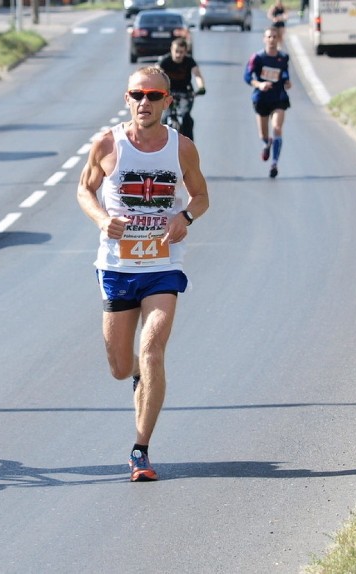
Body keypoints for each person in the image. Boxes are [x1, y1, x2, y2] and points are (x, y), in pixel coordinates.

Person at [76, 66, 209, 482]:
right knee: (120, 365)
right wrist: (102, 219)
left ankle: (140, 449)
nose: (144, 103)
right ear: (126, 99)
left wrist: (185, 216)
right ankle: (137, 375)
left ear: (168, 101)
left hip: (162, 265)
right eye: (137, 95)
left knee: (153, 346)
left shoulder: (182, 148)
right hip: (117, 266)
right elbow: (84, 189)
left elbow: (201, 195)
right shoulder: (107, 144)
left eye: (154, 96)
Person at [244, 27, 292, 178]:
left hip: (278, 97)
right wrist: (259, 85)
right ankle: (266, 143)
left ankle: (274, 164)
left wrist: (287, 81)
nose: (272, 40)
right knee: (263, 133)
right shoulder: (257, 58)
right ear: (264, 39)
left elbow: (284, 73)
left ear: (278, 39)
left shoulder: (283, 57)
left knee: (277, 128)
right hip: (262, 98)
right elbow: (247, 76)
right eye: (269, 37)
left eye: (274, 37)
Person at [156, 38, 206, 141]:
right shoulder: (165, 60)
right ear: (171, 50)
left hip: (185, 92)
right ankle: (160, 141)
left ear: (185, 52)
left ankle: (189, 143)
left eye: (181, 52)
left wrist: (201, 87)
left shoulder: (189, 61)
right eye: (176, 51)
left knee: (185, 115)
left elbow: (197, 75)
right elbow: (156, 74)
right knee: (165, 116)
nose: (178, 55)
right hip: (168, 93)